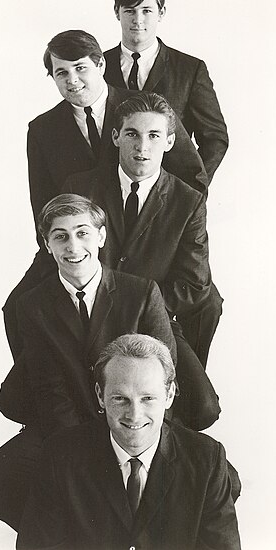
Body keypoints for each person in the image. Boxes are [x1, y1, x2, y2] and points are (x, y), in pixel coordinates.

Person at [0, 195, 219, 530]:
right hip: (68, 420)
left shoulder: (141, 292)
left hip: (134, 416)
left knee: (219, 482)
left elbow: (161, 375)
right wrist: (81, 450)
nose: (73, 246)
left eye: (82, 232)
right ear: (47, 244)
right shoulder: (33, 306)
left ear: (101, 237)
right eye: (60, 236)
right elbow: (49, 388)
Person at [3, 29, 207, 361]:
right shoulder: (42, 129)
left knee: (206, 304)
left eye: (80, 68)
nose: (72, 80)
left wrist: (172, 226)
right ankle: (49, 386)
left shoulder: (139, 109)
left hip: (153, 234)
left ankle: (170, 392)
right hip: (84, 243)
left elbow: (191, 174)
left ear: (101, 65)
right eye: (61, 73)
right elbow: (43, 204)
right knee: (17, 306)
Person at [17, 334, 241, 550]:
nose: (134, 415)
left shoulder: (208, 459)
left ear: (169, 395)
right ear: (100, 395)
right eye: (120, 398)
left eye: (148, 399)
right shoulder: (59, 456)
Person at [64, 92, 222, 367]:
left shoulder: (188, 201)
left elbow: (193, 285)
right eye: (132, 134)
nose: (142, 146)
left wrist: (139, 309)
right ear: (115, 137)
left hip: (153, 321)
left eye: (154, 135)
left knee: (205, 406)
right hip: (87, 315)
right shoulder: (80, 189)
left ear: (170, 141)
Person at [104, 0, 229, 182]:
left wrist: (193, 189)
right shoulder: (98, 67)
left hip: (170, 198)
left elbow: (215, 138)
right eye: (130, 11)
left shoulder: (190, 69)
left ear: (161, 13)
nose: (138, 20)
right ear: (117, 12)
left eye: (147, 11)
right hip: (109, 197)